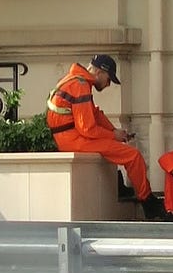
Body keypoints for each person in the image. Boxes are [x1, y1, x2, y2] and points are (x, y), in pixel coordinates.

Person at [46, 54, 165, 220]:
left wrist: (116, 133)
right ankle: (149, 203)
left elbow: (95, 115)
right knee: (133, 156)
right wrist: (113, 135)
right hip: (73, 140)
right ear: (100, 72)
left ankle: (119, 185)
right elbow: (87, 128)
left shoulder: (75, 80)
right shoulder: (80, 85)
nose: (108, 84)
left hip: (68, 137)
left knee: (116, 148)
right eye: (109, 79)